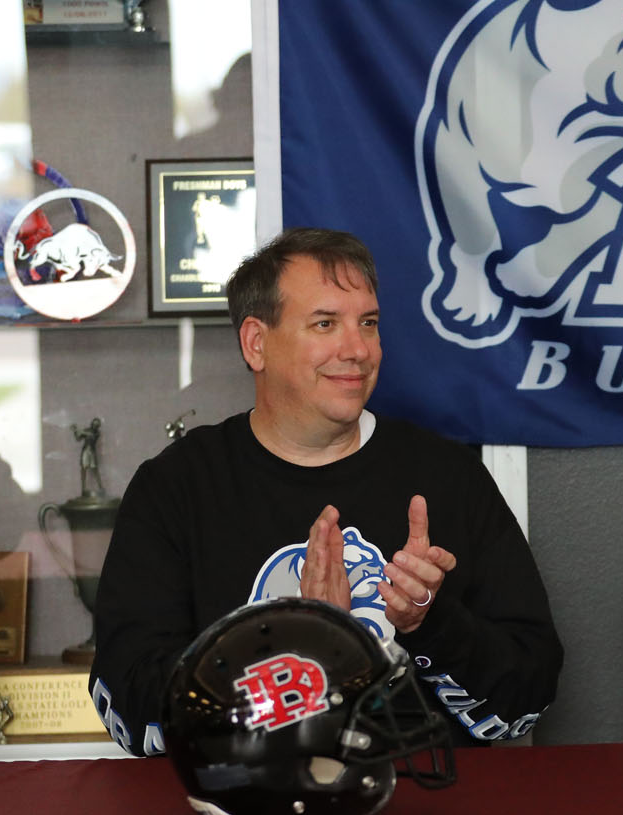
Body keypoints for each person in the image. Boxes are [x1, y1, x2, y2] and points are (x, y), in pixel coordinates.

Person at [90, 227, 563, 754]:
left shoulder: (449, 476)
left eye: (368, 323)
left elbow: (532, 692)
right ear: (256, 343)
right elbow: (128, 700)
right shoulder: (176, 487)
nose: (358, 349)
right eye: (325, 324)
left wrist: (429, 624)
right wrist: (299, 652)